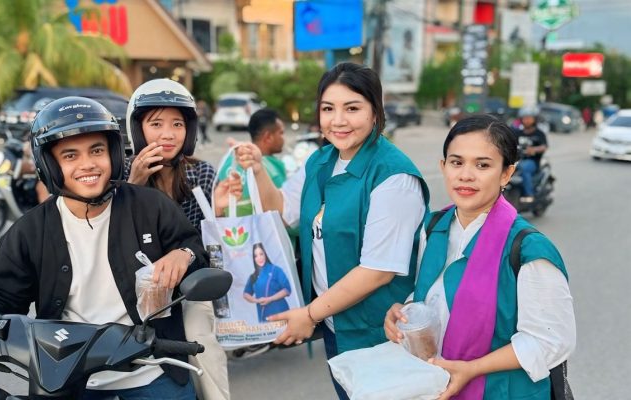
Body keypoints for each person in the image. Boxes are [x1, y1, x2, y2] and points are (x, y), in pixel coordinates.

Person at [0, 96, 207, 400]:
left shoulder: (150, 206)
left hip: (150, 368)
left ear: (114, 154)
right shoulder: (30, 230)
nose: (87, 164)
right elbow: (4, 297)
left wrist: (183, 255)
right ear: (50, 165)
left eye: (97, 150)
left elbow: (193, 248)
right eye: (70, 155)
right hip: (67, 378)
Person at [230, 62, 429, 399]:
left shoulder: (394, 177)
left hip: (380, 332)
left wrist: (309, 314)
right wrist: (258, 171)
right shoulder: (320, 160)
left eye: (352, 108)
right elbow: (281, 209)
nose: (338, 120)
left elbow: (378, 270)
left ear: (375, 112)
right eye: (328, 109)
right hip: (336, 325)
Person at [384, 115, 575, 400]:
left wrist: (472, 369)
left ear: (506, 174)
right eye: (456, 162)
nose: (465, 175)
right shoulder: (434, 227)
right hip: (437, 384)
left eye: (483, 165)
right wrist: (404, 313)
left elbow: (550, 340)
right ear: (443, 166)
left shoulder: (528, 250)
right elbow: (435, 296)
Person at [125, 78, 237, 400]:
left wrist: (221, 209)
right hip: (135, 291)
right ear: (138, 129)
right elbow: (116, 239)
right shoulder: (121, 174)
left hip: (188, 288)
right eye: (156, 123)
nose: (167, 133)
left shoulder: (201, 174)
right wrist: (135, 185)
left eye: (177, 123)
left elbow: (210, 244)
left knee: (203, 343)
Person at [219, 108, 287, 216]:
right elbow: (285, 212)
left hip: (230, 230)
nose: (283, 138)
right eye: (281, 133)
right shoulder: (272, 169)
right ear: (268, 137)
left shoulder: (228, 160)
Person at [243, 242, 292, 322]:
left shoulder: (276, 270)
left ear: (265, 254)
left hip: (280, 313)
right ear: (253, 258)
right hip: (263, 317)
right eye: (256, 256)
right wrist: (257, 300)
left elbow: (287, 290)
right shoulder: (253, 276)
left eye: (261, 254)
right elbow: (246, 294)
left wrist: (270, 299)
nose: (259, 258)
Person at [515, 107, 548, 204]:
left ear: (535, 119)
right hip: (517, 160)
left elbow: (544, 146)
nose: (527, 120)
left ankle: (529, 194)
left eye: (529, 118)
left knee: (524, 168)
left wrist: (534, 149)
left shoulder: (539, 133)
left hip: (532, 161)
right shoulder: (517, 133)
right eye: (524, 118)